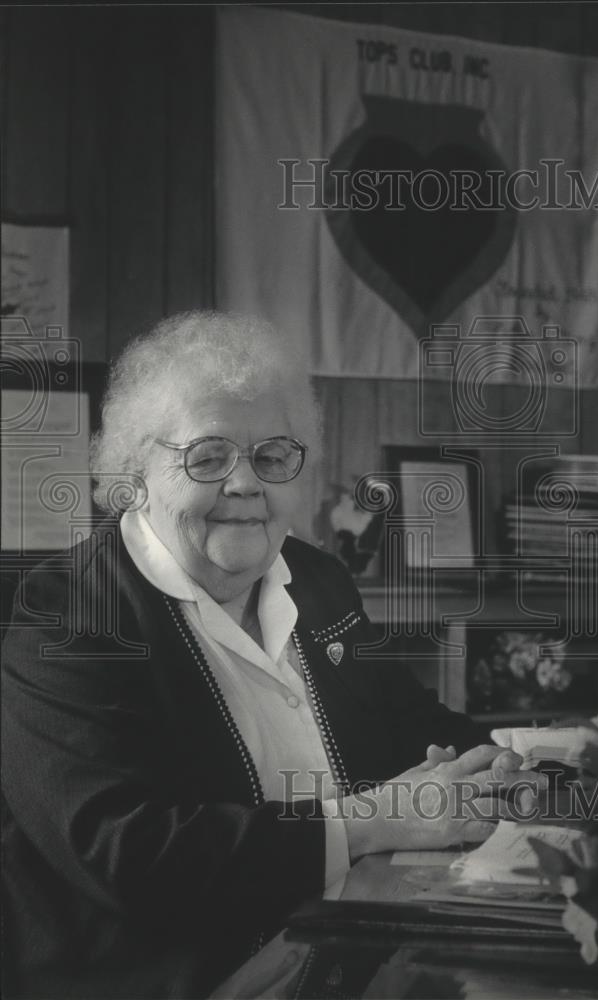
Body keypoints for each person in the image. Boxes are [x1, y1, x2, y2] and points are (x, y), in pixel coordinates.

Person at [1, 312, 542, 999]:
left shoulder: (317, 580)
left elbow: (410, 721)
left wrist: (519, 762)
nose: (244, 483)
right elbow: (126, 852)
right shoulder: (67, 615)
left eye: (272, 455)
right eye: (208, 456)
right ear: (137, 471)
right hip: (190, 976)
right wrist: (381, 818)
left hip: (350, 940)